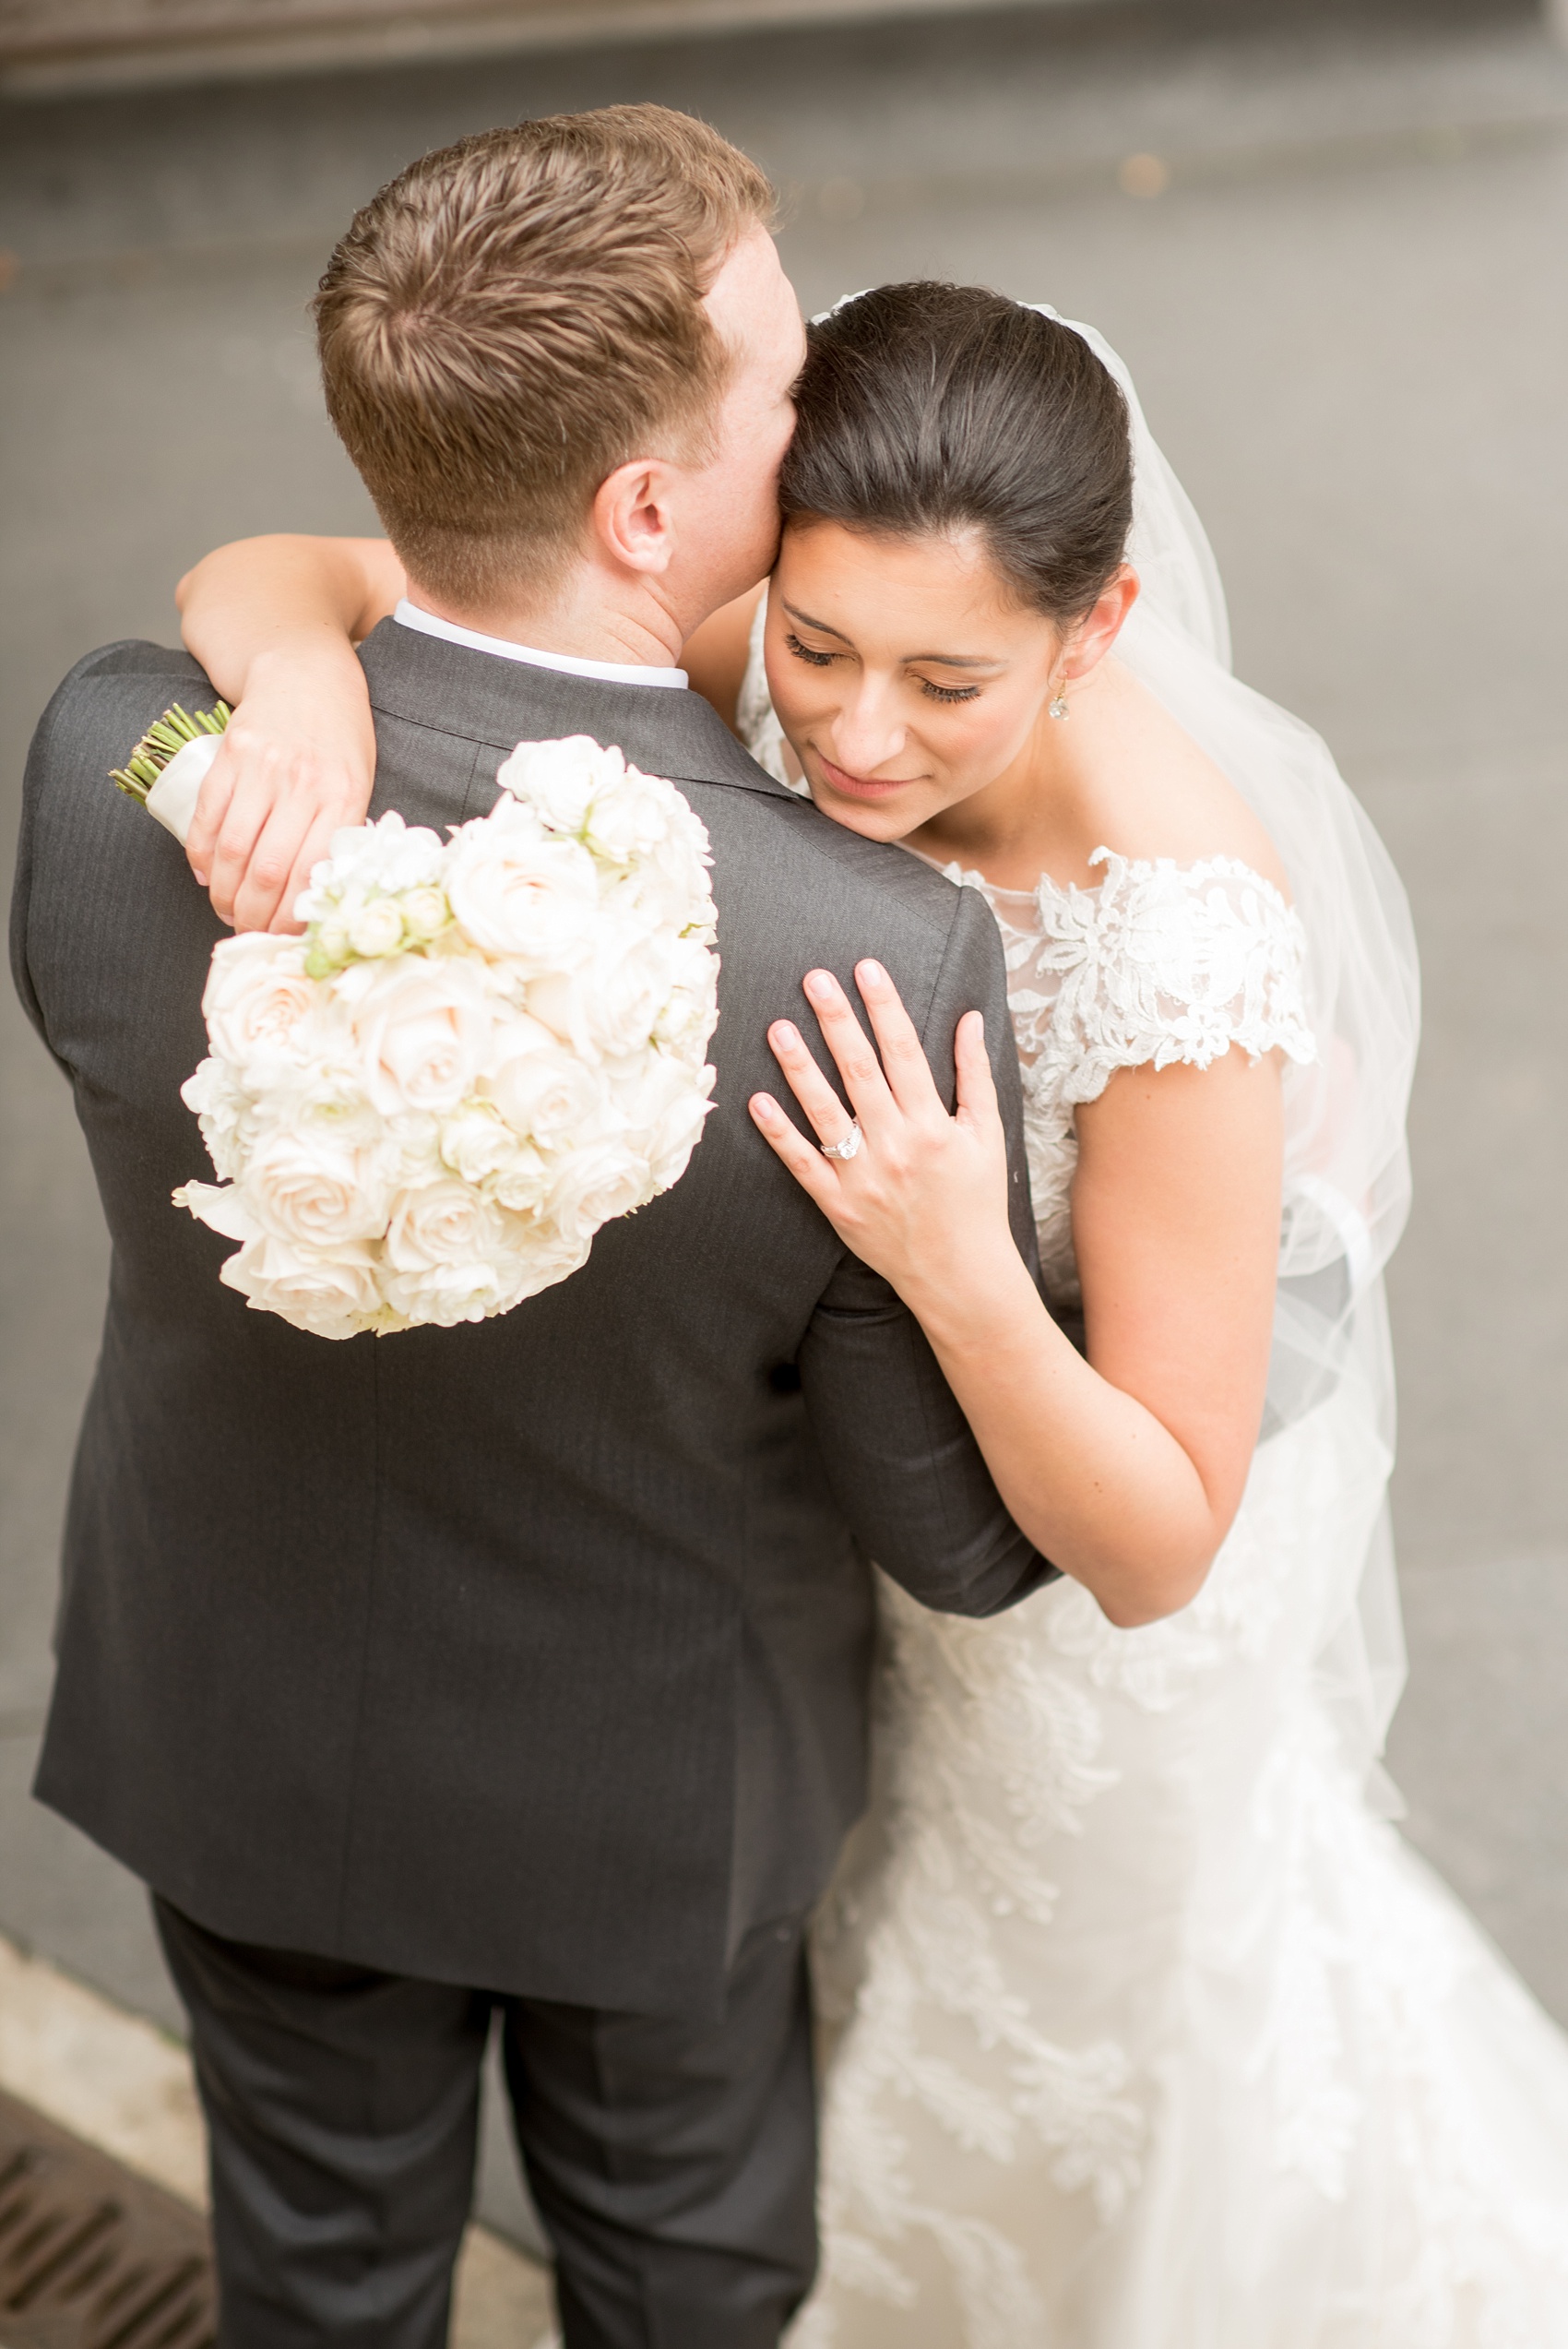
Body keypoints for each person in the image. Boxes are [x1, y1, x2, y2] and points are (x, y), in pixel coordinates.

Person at [180, 280, 1568, 2343]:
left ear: (1090, 635)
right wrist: (299, 680)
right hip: (832, 1552)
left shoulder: (1180, 937)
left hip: (1074, 1588)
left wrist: (952, 1252)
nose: (849, 731)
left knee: (1080, 2042)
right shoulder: (780, 629)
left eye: (948, 682)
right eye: (817, 646)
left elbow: (1157, 1539)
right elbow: (270, 565)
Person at [11, 116, 1089, 2349]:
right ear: (646, 508)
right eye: (785, 383)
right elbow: (961, 1542)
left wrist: (294, 643)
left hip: (242, 1731)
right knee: (685, 2287)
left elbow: (240, 625)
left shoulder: (126, 768)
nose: (819, 411)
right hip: (656, 1815)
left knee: (312, 2278)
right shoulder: (859, 949)